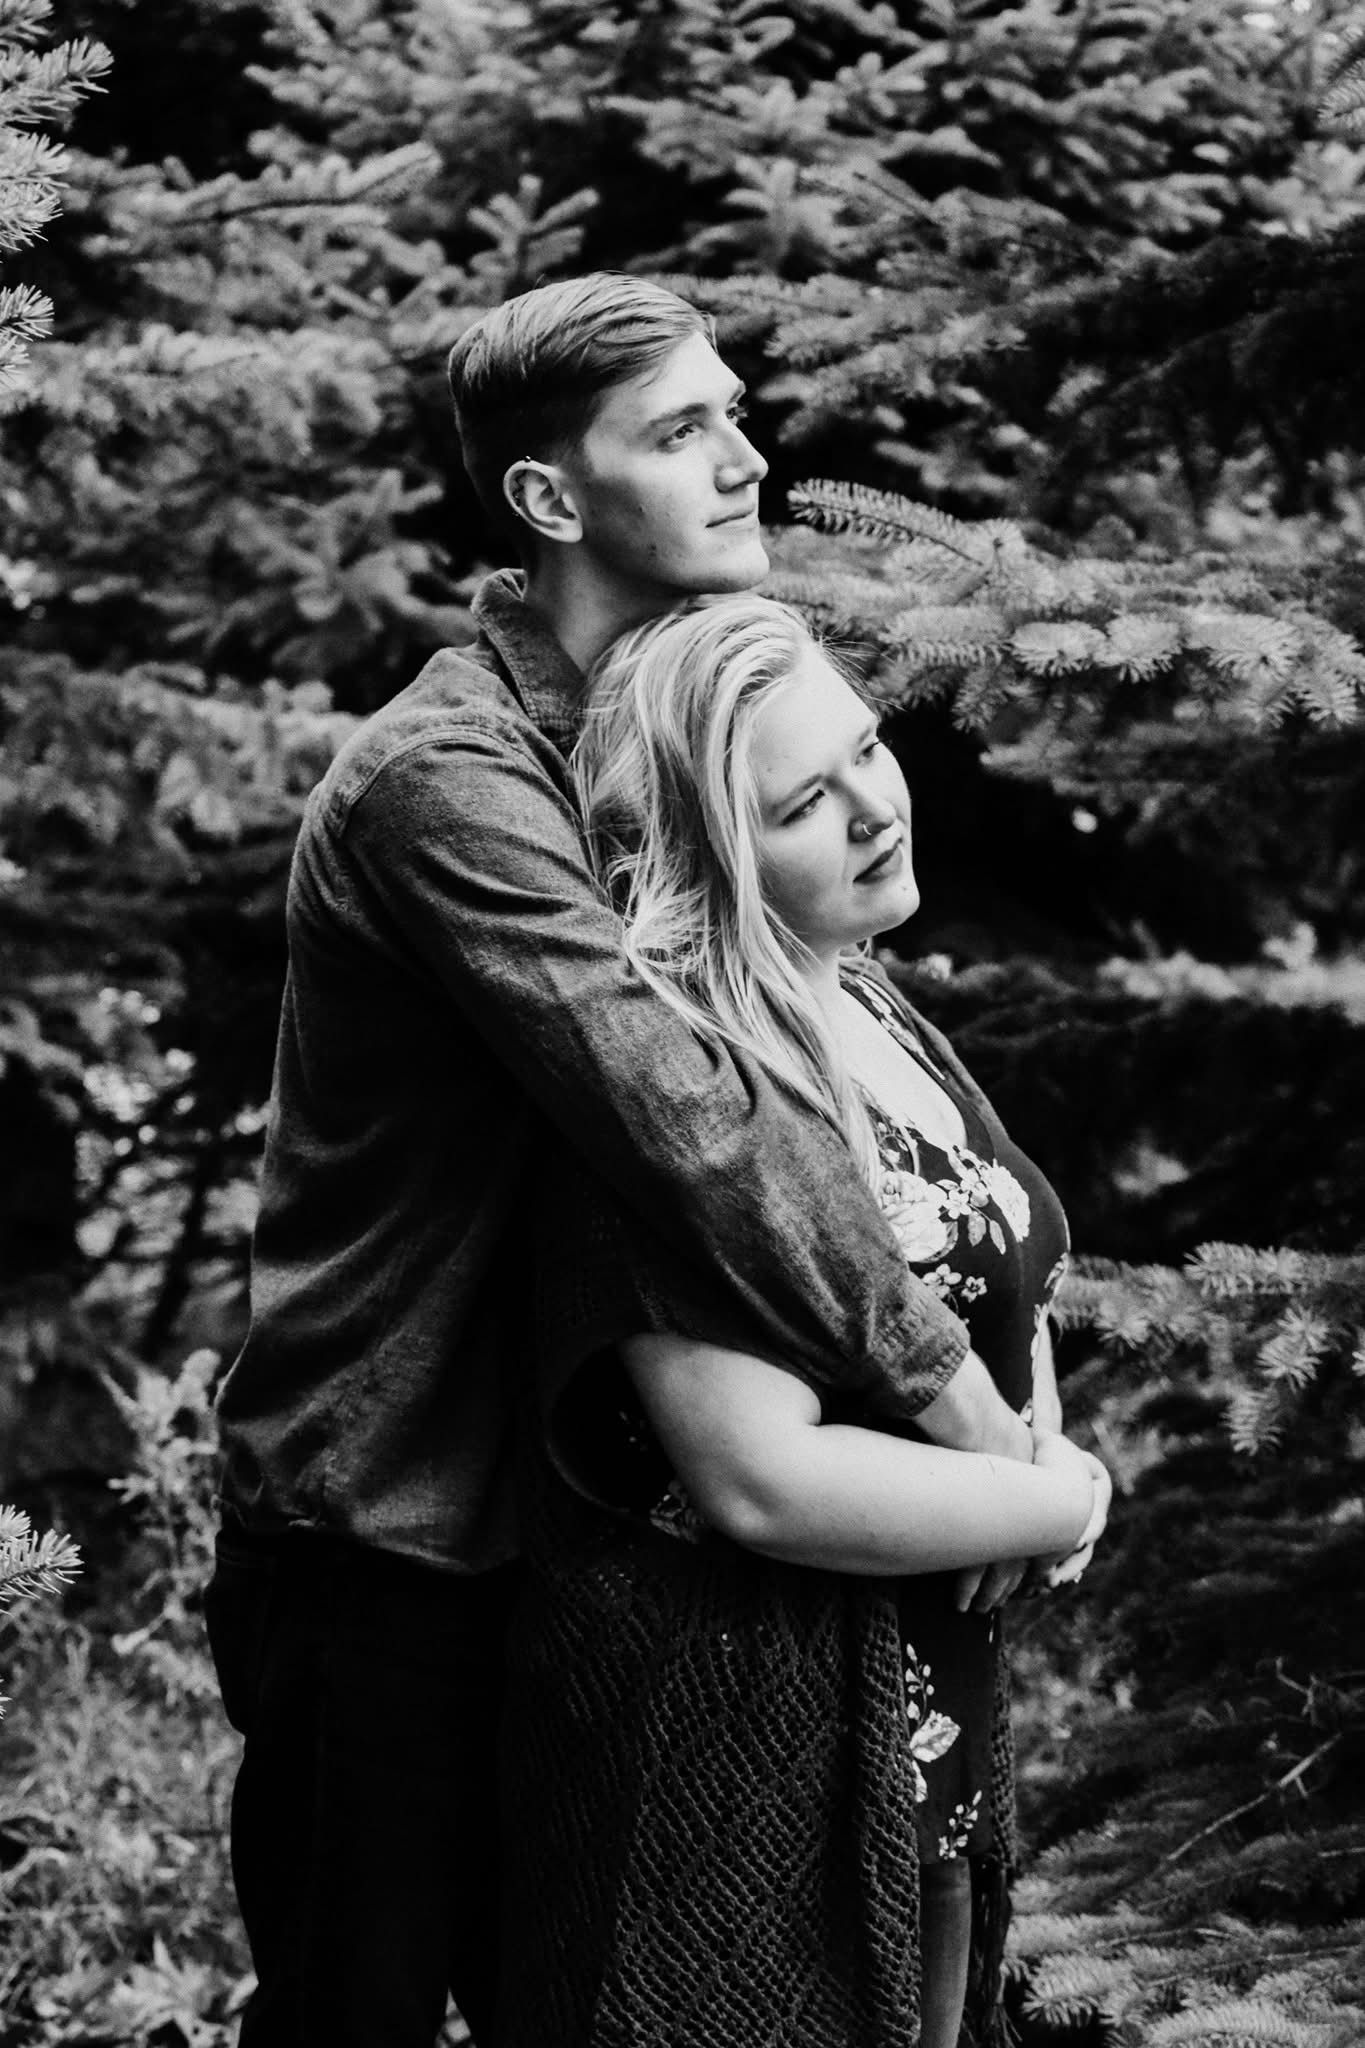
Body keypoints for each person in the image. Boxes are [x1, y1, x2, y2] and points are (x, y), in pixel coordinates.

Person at [204, 273, 1046, 2048]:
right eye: (681, 432)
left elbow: (804, 1017)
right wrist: (957, 1409)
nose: (746, 461)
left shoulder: (680, 720)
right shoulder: (450, 781)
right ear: (544, 496)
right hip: (398, 1529)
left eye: (734, 413)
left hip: (594, 1544)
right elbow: (692, 1116)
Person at [499, 594, 1111, 2048]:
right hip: (743, 1744)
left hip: (921, 1718)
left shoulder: (867, 1006)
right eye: (798, 804)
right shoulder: (686, 1096)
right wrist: (1043, 1502)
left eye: (865, 753)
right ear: (709, 855)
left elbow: (998, 1265)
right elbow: (755, 1478)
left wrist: (1041, 1464)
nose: (869, 811)